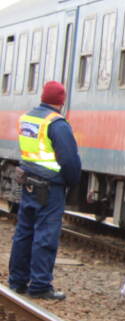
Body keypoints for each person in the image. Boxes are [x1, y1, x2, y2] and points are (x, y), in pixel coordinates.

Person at [8, 81, 81, 301]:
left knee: (24, 233)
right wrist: (72, 181)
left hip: (28, 181)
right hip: (49, 187)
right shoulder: (57, 124)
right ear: (62, 100)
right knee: (45, 236)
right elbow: (69, 160)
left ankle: (17, 281)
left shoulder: (28, 118)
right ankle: (39, 285)